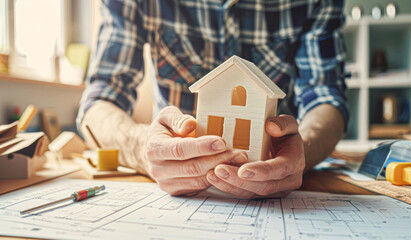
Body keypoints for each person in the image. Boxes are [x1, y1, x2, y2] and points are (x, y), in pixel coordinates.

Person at [77, 0, 348, 198]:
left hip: (275, 186)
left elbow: (325, 96)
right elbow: (100, 99)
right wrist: (144, 148)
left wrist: (301, 151)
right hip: (173, 190)